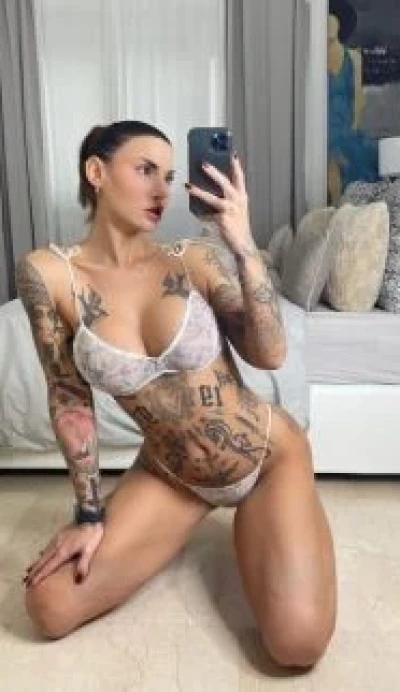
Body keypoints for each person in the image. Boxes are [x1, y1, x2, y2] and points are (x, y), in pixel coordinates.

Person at [16, 120, 336, 668]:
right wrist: (89, 516)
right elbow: (69, 397)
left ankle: (276, 515)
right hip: (173, 472)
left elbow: (271, 353)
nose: (162, 191)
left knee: (297, 645)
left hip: (264, 457)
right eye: (145, 170)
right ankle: (190, 523)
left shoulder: (194, 257)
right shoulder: (49, 275)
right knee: (48, 606)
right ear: (96, 172)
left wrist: (244, 247)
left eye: (168, 176)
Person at [328, 0, 379, 204]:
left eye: (332, 19)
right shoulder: (314, 58)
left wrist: (352, 130)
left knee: (355, 167)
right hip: (322, 129)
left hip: (346, 129)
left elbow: (358, 99)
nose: (328, 25)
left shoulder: (354, 58)